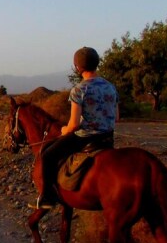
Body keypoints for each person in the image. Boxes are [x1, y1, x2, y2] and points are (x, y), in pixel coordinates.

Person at [33, 46, 119, 209]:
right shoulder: (111, 87)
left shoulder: (79, 89)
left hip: (85, 138)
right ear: (96, 63)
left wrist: (64, 130)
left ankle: (47, 196)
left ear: (77, 67)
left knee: (47, 154)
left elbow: (73, 125)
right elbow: (117, 117)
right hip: (108, 138)